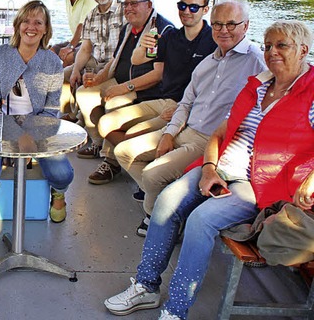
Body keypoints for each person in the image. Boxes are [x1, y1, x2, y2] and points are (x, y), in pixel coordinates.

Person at [104, 20, 314, 320]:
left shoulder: (310, 92)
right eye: (267, 46)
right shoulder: (258, 86)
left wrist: (310, 180)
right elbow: (218, 134)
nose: (271, 52)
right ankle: (146, 286)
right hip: (221, 166)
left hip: (260, 185)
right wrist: (208, 169)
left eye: (281, 45)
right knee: (166, 201)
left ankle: (175, 310)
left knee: (201, 221)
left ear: (304, 50)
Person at [114, 0, 267, 236]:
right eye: (217, 25)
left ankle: (158, 221)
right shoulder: (208, 62)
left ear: (245, 26)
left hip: (210, 141)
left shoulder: (257, 63)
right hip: (185, 129)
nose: (223, 30)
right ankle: (167, 205)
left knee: (153, 174)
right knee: (124, 151)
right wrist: (168, 133)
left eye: (230, 24)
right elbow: (186, 103)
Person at [94, 0, 217, 196]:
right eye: (182, 5)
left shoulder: (213, 41)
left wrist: (182, 110)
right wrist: (144, 44)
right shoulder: (170, 37)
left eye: (194, 7)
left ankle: (152, 178)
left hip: (185, 107)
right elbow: (141, 60)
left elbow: (217, 88)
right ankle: (151, 182)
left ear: (205, 10)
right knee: (105, 123)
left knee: (131, 135)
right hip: (163, 100)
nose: (186, 11)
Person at [0, 0, 74, 223]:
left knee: (63, 174)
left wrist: (31, 134)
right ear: (17, 25)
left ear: (46, 29)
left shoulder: (53, 62)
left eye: (38, 22)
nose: (31, 27)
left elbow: (52, 108)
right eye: (26, 21)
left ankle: (58, 192)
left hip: (38, 124)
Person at [76, 0, 174, 177]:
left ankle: (110, 161)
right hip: (121, 80)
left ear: (149, 5)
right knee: (84, 93)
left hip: (145, 88)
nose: (128, 8)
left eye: (134, 3)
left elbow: (158, 75)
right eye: (126, 3)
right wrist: (98, 78)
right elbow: (114, 60)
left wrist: (123, 88)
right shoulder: (128, 28)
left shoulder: (161, 31)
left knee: (114, 101)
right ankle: (97, 143)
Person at [60, 0, 124, 124]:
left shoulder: (124, 12)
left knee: (87, 88)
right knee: (64, 75)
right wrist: (75, 70)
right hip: (95, 62)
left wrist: (100, 74)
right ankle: (71, 116)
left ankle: (88, 129)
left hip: (115, 64)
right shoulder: (91, 16)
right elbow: (85, 48)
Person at [50, 0, 98, 67]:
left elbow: (82, 25)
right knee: (51, 53)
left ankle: (64, 81)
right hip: (78, 40)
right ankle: (51, 79)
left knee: (68, 56)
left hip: (89, 42)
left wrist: (70, 47)